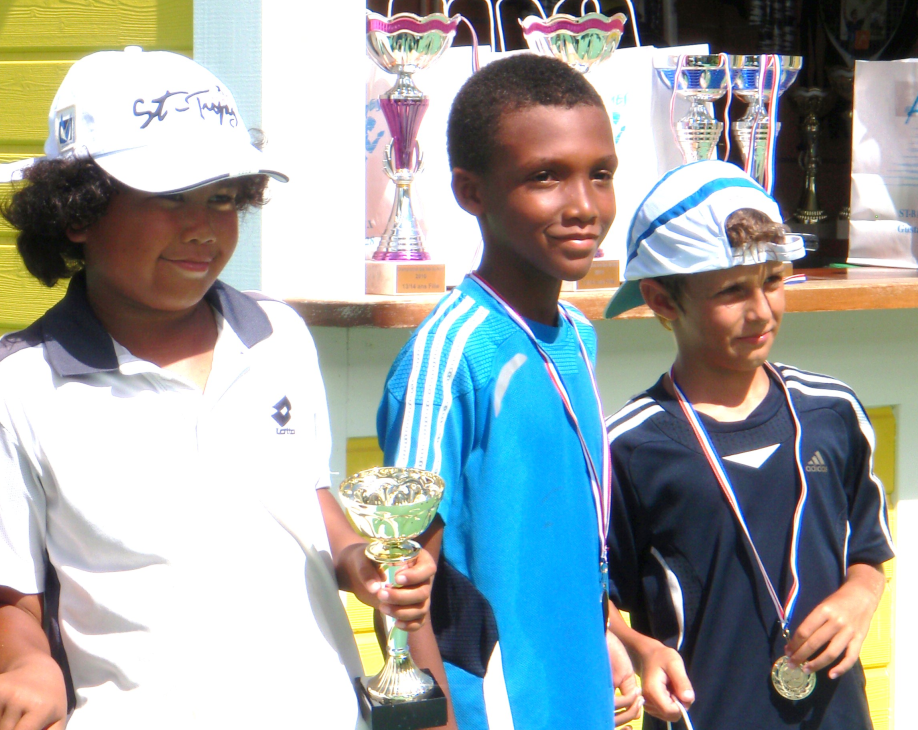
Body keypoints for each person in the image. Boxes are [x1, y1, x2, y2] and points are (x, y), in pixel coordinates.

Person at [0, 47, 437, 730]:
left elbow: (305, 498)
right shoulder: (24, 381)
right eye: (167, 198)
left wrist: (358, 561)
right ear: (78, 212)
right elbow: (3, 589)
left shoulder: (278, 335)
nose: (202, 227)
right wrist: (28, 666)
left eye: (222, 197)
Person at [376, 54, 641, 730]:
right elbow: (407, 586)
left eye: (600, 175)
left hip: (576, 699)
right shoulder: (454, 354)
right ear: (471, 191)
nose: (582, 205)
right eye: (544, 177)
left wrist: (609, 636)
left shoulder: (577, 334)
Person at [603, 160, 893, 730]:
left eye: (774, 281)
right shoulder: (628, 448)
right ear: (662, 301)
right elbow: (593, 599)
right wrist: (640, 648)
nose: (761, 310)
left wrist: (862, 594)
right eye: (732, 290)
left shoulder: (834, 413)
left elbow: (868, 550)